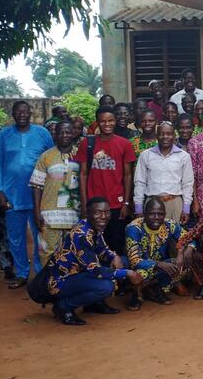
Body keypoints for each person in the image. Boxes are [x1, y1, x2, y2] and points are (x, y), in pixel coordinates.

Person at [45, 197, 144, 325]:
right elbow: (95, 271)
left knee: (123, 261)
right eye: (98, 212)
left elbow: (102, 249)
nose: (104, 216)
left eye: (107, 212)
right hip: (61, 281)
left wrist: (114, 256)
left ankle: (93, 303)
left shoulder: (92, 226)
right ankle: (63, 306)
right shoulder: (81, 236)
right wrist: (127, 273)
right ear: (88, 213)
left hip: (79, 273)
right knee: (106, 286)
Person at [0, 101, 53, 287]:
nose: (22, 114)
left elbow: (52, 158)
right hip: (12, 196)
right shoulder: (4, 135)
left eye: (25, 111)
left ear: (30, 113)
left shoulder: (42, 133)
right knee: (16, 237)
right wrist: (0, 191)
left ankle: (41, 272)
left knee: (40, 235)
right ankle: (21, 273)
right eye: (18, 111)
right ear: (13, 113)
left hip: (38, 196)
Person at [74, 106, 135, 256]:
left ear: (115, 121)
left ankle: (117, 277)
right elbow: (82, 174)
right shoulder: (87, 144)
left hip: (116, 204)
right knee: (92, 244)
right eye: (103, 121)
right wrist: (84, 204)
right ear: (97, 123)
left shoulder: (125, 144)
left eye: (110, 120)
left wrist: (126, 203)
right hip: (94, 204)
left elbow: (128, 176)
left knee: (116, 244)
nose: (107, 124)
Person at [30, 120, 81, 265]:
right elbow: (36, 186)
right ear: (55, 135)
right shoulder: (46, 157)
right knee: (48, 252)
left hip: (74, 215)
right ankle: (48, 284)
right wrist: (36, 212)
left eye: (68, 132)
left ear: (74, 134)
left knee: (74, 252)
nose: (64, 135)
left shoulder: (80, 155)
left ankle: (68, 285)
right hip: (50, 215)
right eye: (61, 132)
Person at [125, 197, 186, 309]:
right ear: (144, 214)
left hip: (161, 266)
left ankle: (156, 290)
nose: (157, 218)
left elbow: (187, 237)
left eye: (160, 214)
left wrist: (181, 252)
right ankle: (136, 293)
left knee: (183, 262)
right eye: (152, 214)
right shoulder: (134, 228)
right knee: (139, 274)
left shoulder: (169, 225)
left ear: (164, 214)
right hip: (140, 268)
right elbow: (134, 261)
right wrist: (158, 264)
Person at [132, 121, 194, 223]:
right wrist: (138, 208)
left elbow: (187, 184)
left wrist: (186, 209)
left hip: (174, 202)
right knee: (151, 237)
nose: (165, 137)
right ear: (157, 136)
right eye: (161, 134)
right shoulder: (146, 155)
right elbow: (140, 182)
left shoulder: (184, 156)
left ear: (174, 136)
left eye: (169, 134)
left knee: (173, 237)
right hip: (152, 203)